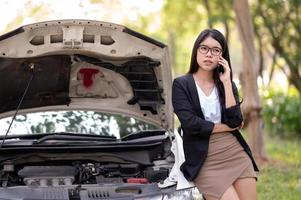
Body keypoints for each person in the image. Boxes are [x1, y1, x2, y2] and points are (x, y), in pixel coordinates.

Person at [172, 29, 259, 200]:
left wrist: (226, 82)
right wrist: (227, 127)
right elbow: (191, 125)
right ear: (196, 50)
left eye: (215, 50)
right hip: (203, 157)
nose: (209, 54)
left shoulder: (226, 84)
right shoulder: (181, 84)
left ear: (222, 56)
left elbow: (236, 119)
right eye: (204, 48)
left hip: (234, 153)